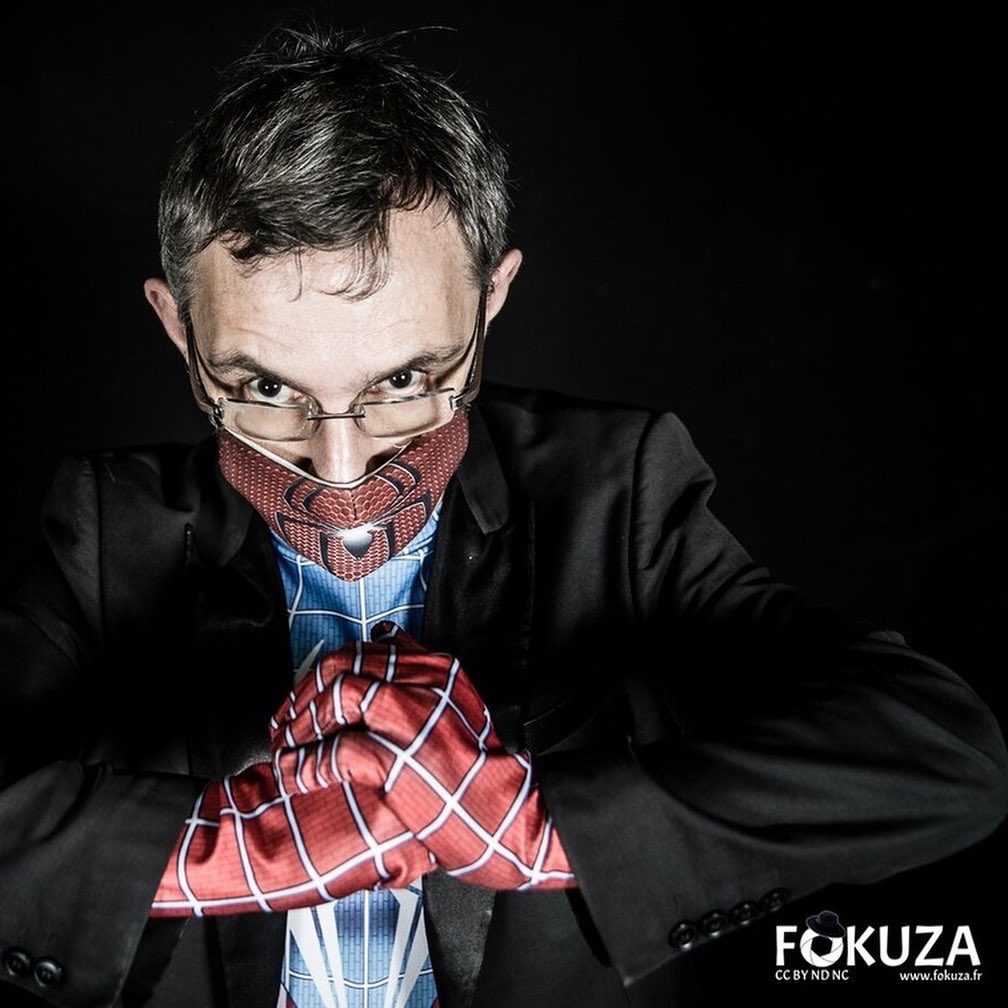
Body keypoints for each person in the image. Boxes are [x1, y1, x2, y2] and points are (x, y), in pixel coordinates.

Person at [1, 22, 1006, 1008]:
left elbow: (939, 755)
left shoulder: (616, 493)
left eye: (406, 379)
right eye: (264, 389)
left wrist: (538, 827)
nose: (341, 470)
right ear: (179, 329)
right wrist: (209, 854)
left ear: (490, 301)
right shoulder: (109, 527)